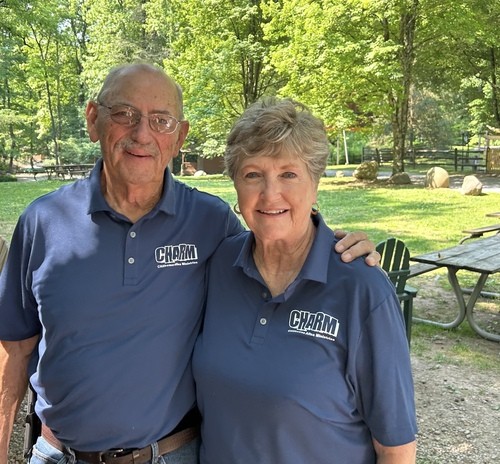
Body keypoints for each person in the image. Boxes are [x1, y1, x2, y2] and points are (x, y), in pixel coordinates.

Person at [0, 63, 379, 464]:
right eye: (125, 114)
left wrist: (337, 249)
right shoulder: (44, 222)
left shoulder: (210, 223)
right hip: (58, 454)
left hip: (169, 454)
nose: (142, 134)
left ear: (179, 137)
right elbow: (13, 349)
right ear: (94, 119)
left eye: (161, 121)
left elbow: (278, 248)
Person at [192, 97, 418, 463]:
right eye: (253, 174)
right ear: (236, 185)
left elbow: (396, 449)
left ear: (315, 184)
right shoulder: (219, 265)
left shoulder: (361, 288)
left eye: (288, 174)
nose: (270, 194)